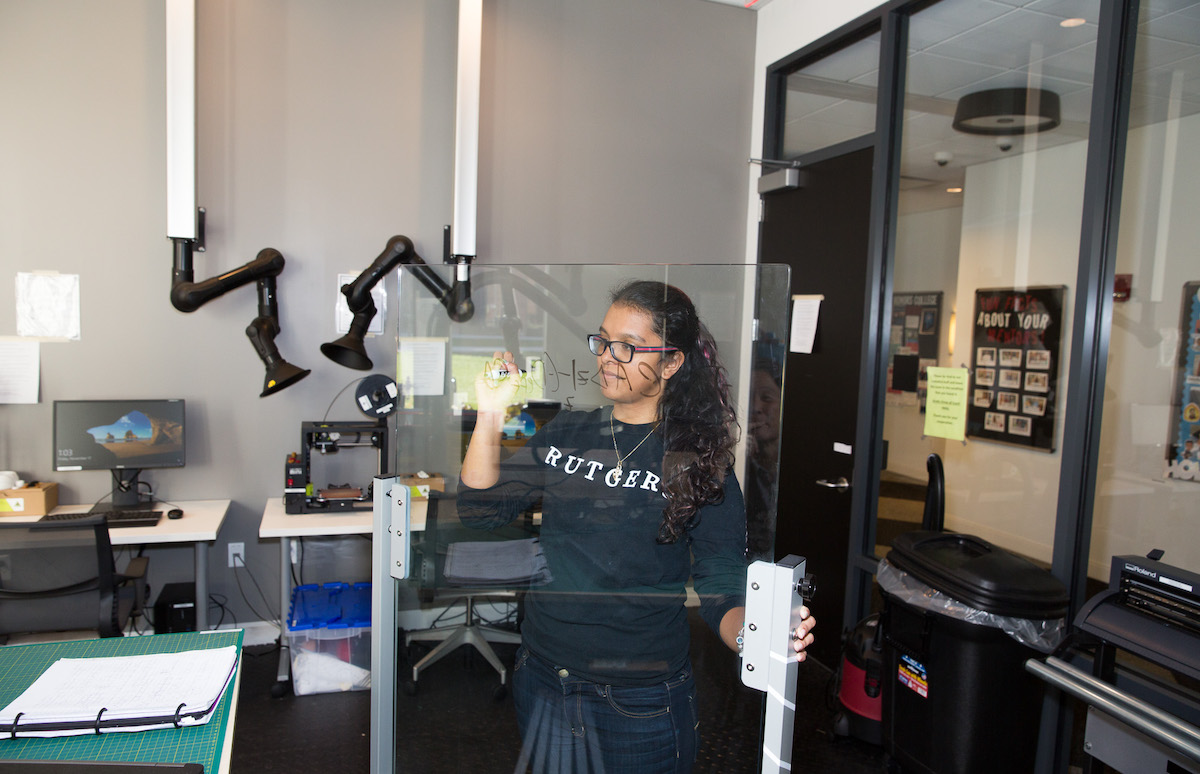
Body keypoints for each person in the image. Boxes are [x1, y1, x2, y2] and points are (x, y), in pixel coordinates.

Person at [458, 280, 815, 773]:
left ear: (671, 363)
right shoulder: (570, 431)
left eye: (627, 347)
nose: (607, 356)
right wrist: (490, 411)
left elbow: (719, 583)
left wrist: (757, 636)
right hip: (543, 675)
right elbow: (481, 511)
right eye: (603, 341)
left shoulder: (696, 461)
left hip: (637, 699)